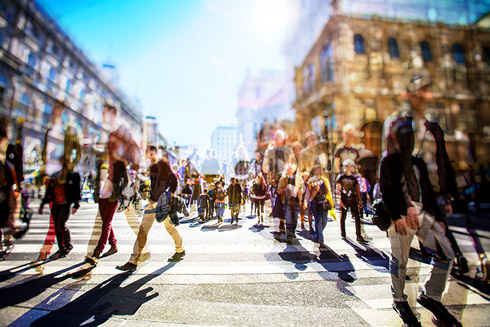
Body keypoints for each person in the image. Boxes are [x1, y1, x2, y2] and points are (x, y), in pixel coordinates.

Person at [381, 70, 462, 327]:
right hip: (402, 214)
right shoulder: (394, 144)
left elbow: (439, 168)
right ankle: (400, 300)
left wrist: (444, 199)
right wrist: (399, 213)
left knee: (446, 252)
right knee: (400, 260)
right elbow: (388, 178)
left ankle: (431, 295)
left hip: (423, 210)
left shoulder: (423, 147)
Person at [116, 149, 185, 272]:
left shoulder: (163, 166)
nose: (150, 156)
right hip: (152, 203)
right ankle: (134, 260)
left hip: (162, 204)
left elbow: (173, 181)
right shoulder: (152, 167)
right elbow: (152, 185)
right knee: (143, 230)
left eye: (151, 154)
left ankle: (180, 250)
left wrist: (169, 197)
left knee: (169, 228)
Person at [38, 156, 81, 259]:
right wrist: (43, 204)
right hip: (56, 203)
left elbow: (76, 191)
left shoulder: (73, 175)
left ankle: (68, 244)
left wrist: (76, 204)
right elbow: (50, 190)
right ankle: (62, 248)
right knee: (57, 226)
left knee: (61, 224)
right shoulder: (56, 175)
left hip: (65, 203)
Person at [336, 159, 369, 243]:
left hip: (353, 199)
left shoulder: (354, 177)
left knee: (357, 217)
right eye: (347, 166)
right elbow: (338, 188)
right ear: (344, 167)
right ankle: (343, 233)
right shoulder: (341, 177)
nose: (348, 168)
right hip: (344, 200)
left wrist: (360, 200)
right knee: (343, 216)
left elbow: (357, 189)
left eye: (350, 166)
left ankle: (358, 235)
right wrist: (339, 199)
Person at [277, 162, 305, 244]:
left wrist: (300, 191)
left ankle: (292, 232)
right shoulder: (283, 179)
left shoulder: (299, 179)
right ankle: (289, 235)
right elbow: (279, 190)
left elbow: (303, 188)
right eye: (288, 169)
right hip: (287, 201)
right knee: (288, 218)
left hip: (296, 201)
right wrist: (285, 190)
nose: (289, 170)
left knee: (295, 219)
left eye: (291, 169)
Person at [307, 164, 333, 248]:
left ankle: (318, 233)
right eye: (316, 170)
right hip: (315, 202)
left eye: (319, 169)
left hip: (324, 202)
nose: (318, 171)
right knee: (318, 220)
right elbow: (309, 193)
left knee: (324, 221)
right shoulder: (311, 181)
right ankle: (320, 239)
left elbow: (327, 191)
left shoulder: (324, 180)